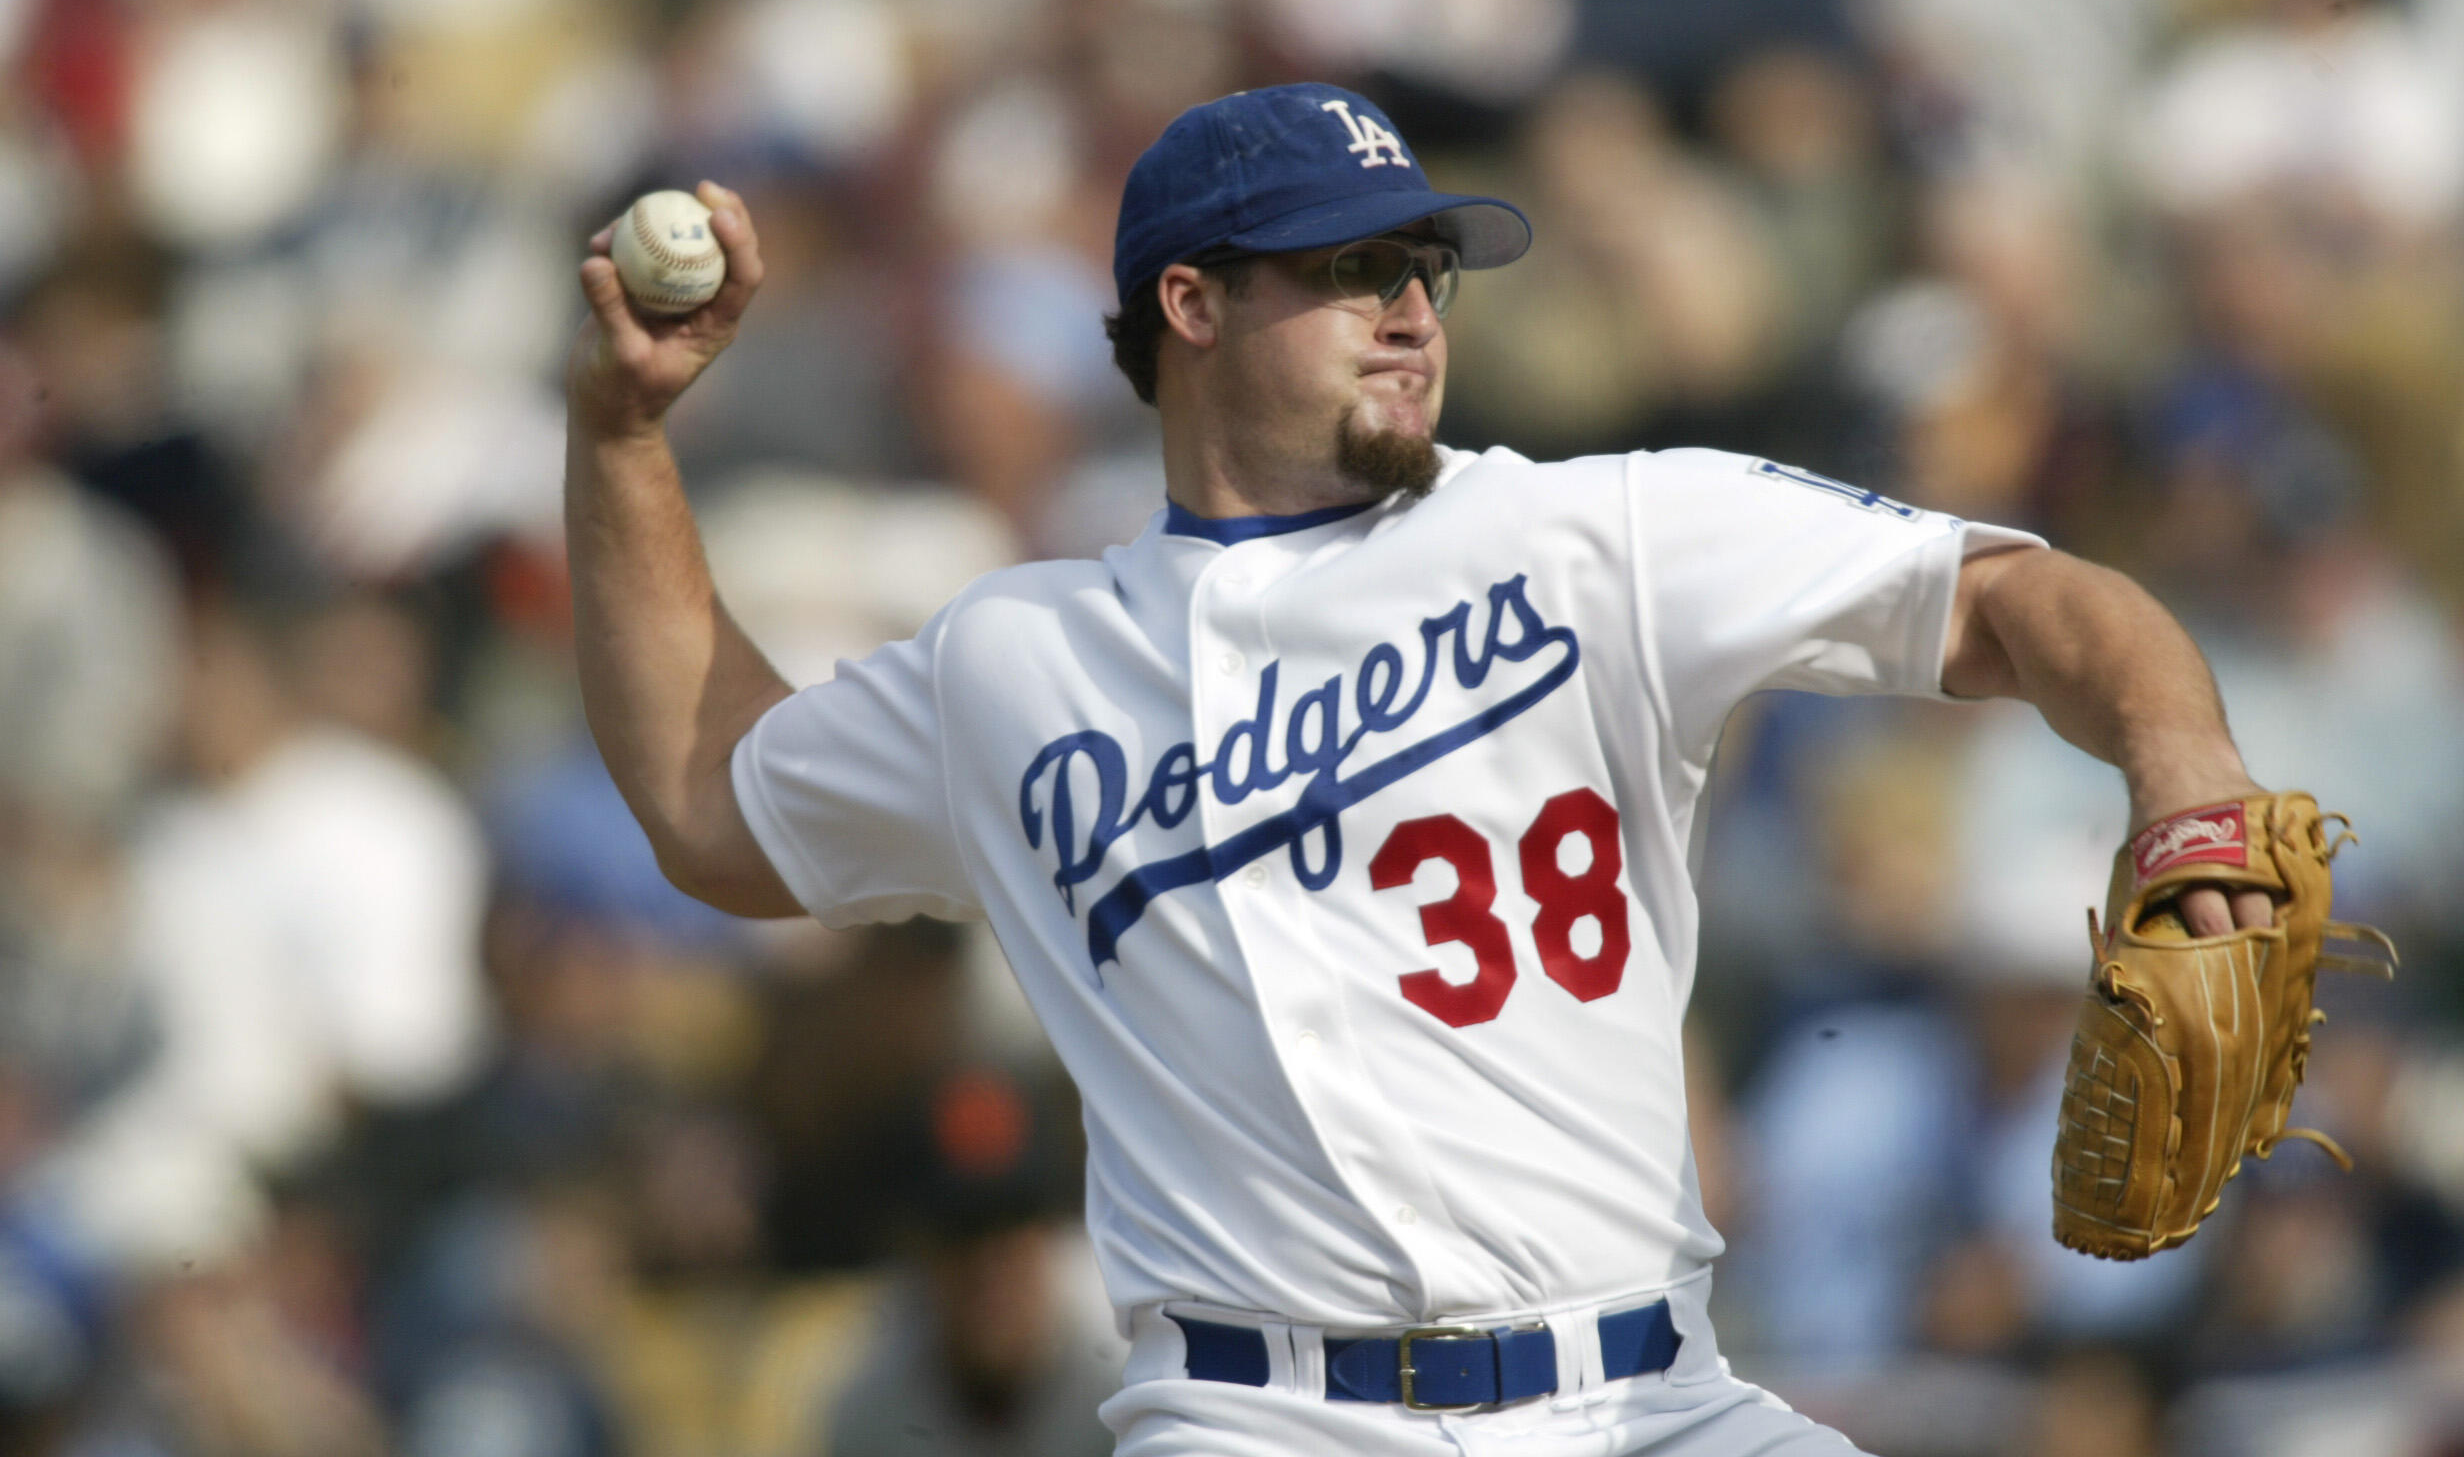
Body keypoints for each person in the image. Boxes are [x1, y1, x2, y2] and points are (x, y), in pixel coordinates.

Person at [566, 84, 2277, 1455]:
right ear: (1194, 302)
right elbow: (714, 810)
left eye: (1423, 269)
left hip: (1651, 1402)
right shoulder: (1016, 662)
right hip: (1255, 1418)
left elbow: (2023, 599)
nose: (1407, 308)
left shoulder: (1593, 529)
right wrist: (625, 437)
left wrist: (2184, 780)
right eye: (1347, 267)